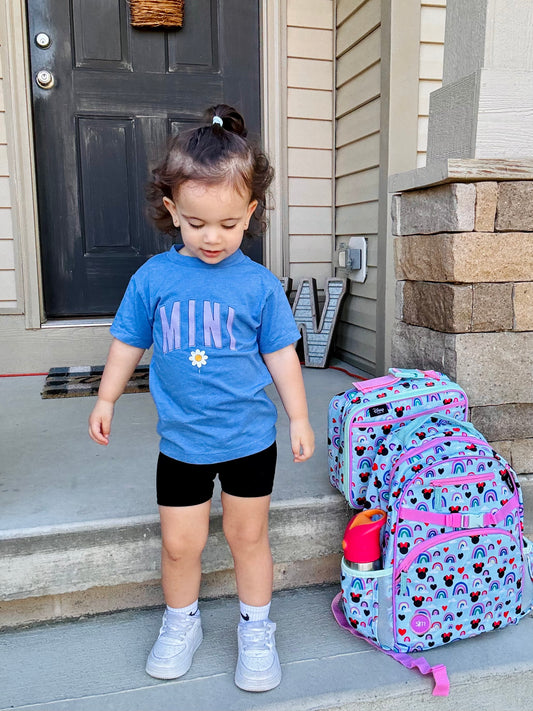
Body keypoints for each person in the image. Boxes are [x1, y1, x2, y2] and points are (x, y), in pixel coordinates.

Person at [88, 104, 315, 693]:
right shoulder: (154, 281)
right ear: (172, 212)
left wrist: (297, 416)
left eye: (229, 224)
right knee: (179, 543)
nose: (212, 237)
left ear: (251, 215)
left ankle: (256, 629)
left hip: (248, 439)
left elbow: (281, 356)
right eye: (196, 223)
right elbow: (126, 343)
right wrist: (107, 398)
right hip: (183, 442)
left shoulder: (259, 286)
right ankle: (180, 621)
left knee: (248, 537)